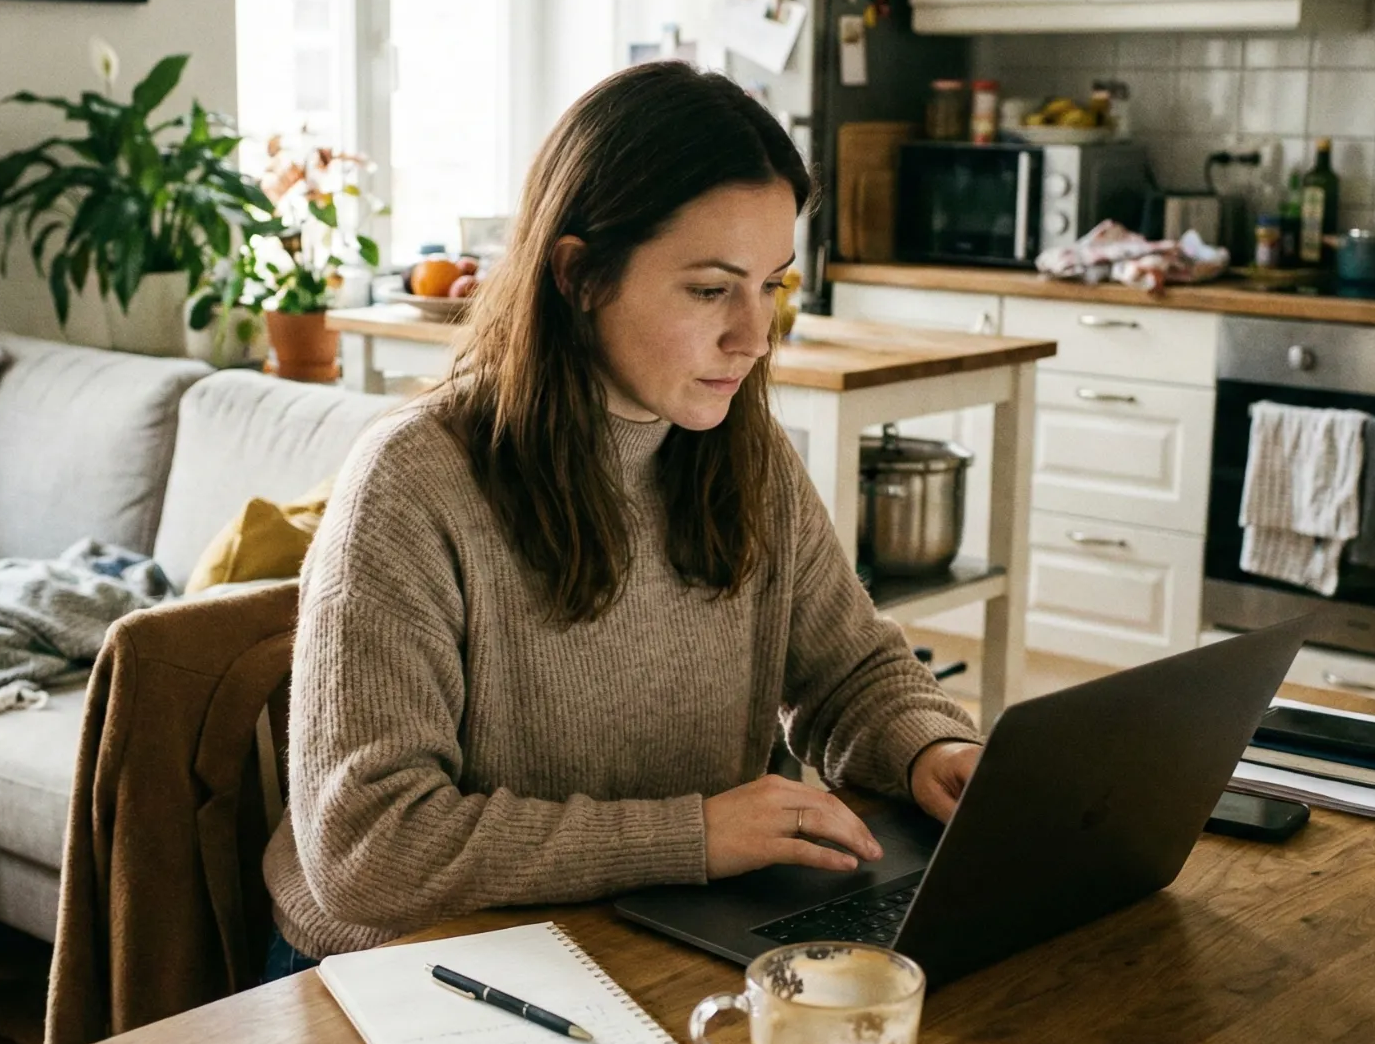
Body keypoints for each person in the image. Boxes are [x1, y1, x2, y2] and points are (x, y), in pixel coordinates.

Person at [260, 62, 983, 978]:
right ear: (579, 273)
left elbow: (847, 671)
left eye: (771, 285)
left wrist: (930, 745)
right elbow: (369, 851)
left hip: (641, 932)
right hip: (412, 974)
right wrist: (690, 837)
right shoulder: (412, 481)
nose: (754, 337)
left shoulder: (742, 451)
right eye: (711, 289)